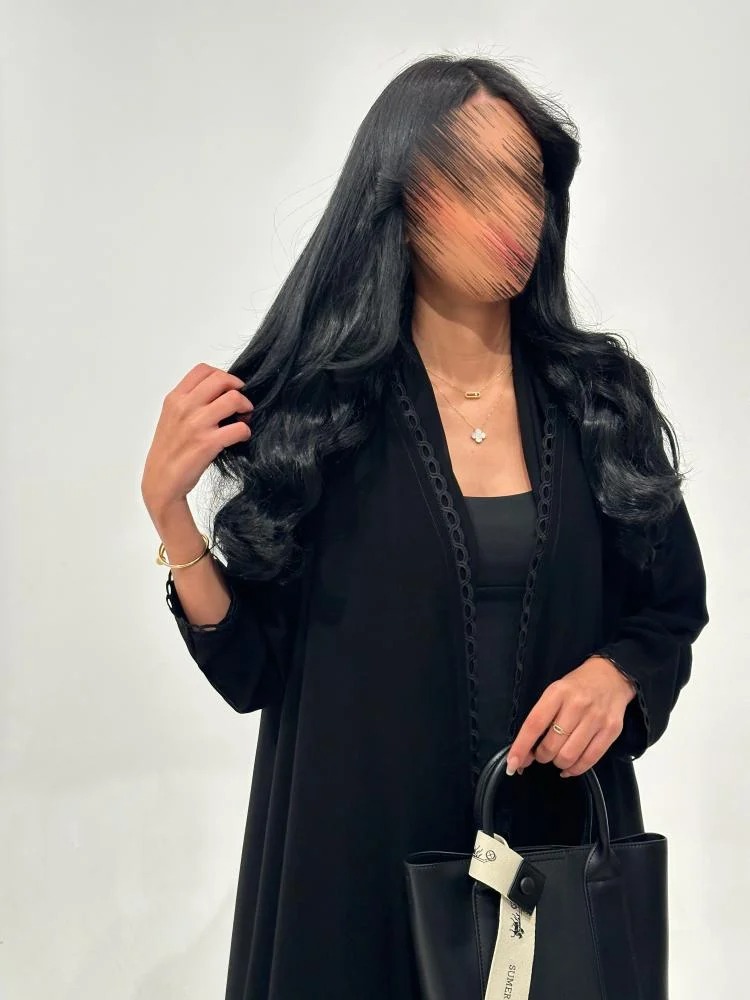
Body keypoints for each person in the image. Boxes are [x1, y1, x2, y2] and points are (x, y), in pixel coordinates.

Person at [141, 55, 709, 1000]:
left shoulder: (598, 402)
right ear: (399, 199)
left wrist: (617, 677)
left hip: (553, 868)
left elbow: (671, 610)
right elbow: (251, 670)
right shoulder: (323, 418)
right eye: (476, 182)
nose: (515, 211)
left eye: (528, 180)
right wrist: (171, 515)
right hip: (354, 881)